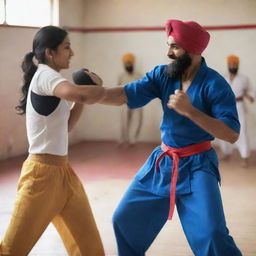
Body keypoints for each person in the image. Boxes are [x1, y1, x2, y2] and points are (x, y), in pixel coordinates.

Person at [91, 19, 243, 255]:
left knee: (212, 234)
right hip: (162, 162)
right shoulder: (163, 75)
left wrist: (191, 111)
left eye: (174, 47)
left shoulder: (215, 84)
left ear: (192, 50)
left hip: (198, 166)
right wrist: (94, 94)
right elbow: (126, 94)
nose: (168, 52)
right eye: (168, 45)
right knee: (124, 219)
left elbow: (232, 134)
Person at [0, 26, 105, 256]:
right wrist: (97, 90)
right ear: (50, 52)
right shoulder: (46, 75)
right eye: (67, 47)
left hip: (63, 174)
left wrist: (87, 95)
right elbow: (78, 94)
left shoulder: (54, 81)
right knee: (11, 250)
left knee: (90, 249)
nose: (72, 52)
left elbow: (67, 125)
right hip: (41, 176)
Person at [219, 55, 254, 168]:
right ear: (228, 65)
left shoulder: (244, 79)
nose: (233, 66)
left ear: (238, 65)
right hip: (225, 106)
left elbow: (251, 93)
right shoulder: (223, 78)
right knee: (224, 129)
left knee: (241, 131)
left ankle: (245, 157)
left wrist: (249, 96)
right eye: (231, 64)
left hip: (239, 106)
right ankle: (226, 153)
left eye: (235, 64)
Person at [118, 53, 143, 146]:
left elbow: (144, 87)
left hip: (137, 100)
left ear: (133, 63)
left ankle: (133, 141)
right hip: (124, 101)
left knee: (137, 120)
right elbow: (117, 88)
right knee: (124, 121)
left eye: (129, 63)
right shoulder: (121, 76)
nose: (128, 65)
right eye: (126, 63)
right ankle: (123, 140)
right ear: (124, 64)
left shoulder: (139, 75)